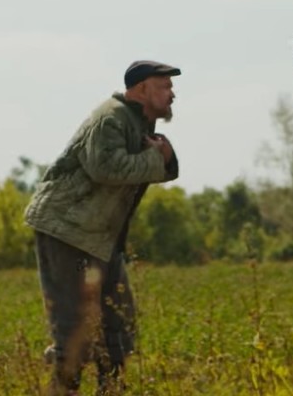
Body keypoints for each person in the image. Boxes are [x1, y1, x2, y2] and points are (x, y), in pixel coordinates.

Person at [23, 60, 181, 395]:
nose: (172, 94)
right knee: (74, 331)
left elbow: (156, 168)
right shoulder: (111, 117)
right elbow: (105, 167)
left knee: (118, 326)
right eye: (164, 86)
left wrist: (164, 158)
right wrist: (158, 158)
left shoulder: (139, 121)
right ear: (141, 90)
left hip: (100, 239)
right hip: (67, 231)